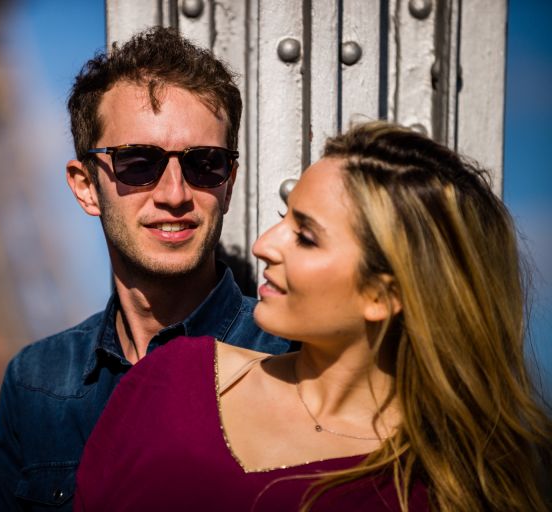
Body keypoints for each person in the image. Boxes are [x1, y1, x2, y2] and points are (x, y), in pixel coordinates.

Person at [74, 121, 552, 511]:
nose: (263, 245)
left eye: (305, 236)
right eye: (285, 217)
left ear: (382, 295)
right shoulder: (171, 380)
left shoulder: (445, 488)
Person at [0, 27, 294, 511]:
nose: (175, 194)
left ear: (228, 183)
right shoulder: (36, 383)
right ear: (85, 187)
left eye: (205, 163)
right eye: (138, 163)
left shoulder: (292, 360)